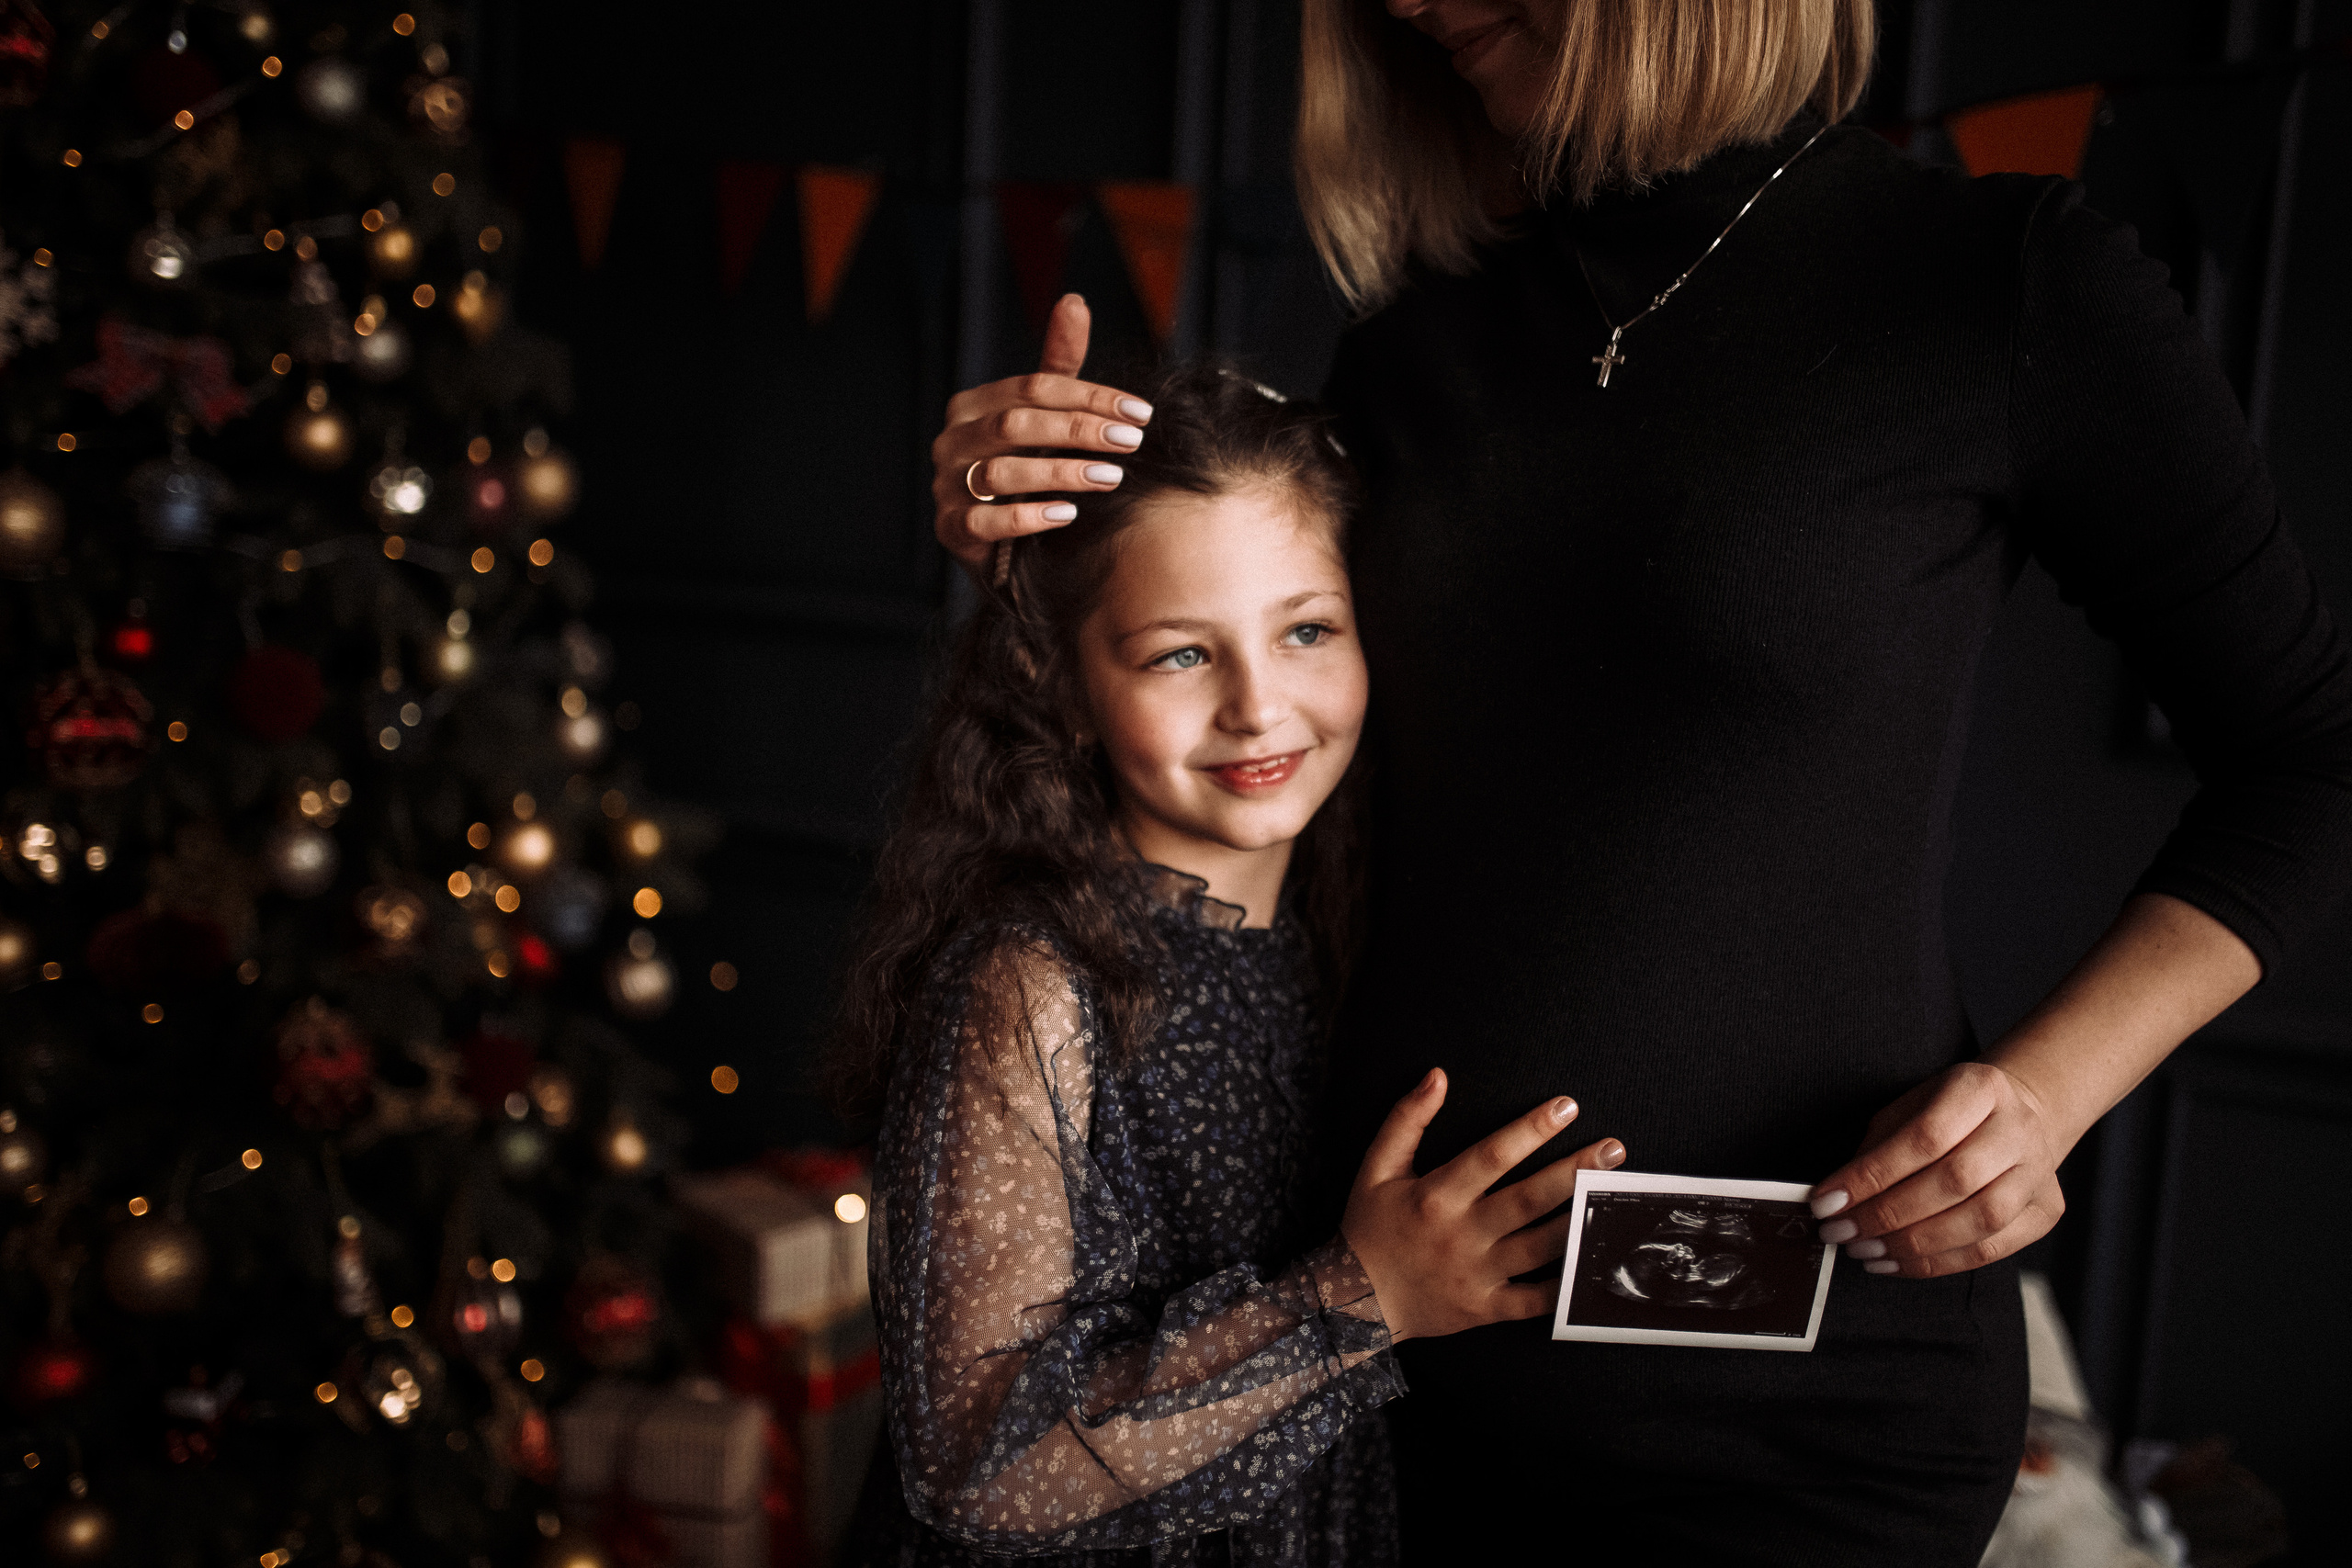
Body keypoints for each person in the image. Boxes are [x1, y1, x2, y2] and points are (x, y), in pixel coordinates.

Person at [922, 3, 2352, 1562]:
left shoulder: (1996, 284)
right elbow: (1227, 655)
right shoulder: (1412, 343)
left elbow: (2315, 757)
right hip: (1397, 1409)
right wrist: (1034, 524)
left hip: (1803, 1427)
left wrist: (2050, 1094)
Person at [836, 364, 1629, 1566]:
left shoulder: (1348, 923)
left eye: (1306, 631)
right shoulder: (1029, 984)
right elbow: (975, 1465)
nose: (1261, 707)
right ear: (1059, 673)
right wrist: (1368, 1298)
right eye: (1179, 657)